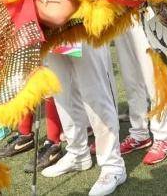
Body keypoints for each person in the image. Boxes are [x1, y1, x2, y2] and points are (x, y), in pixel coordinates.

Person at [42, 43, 127, 196]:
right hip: (52, 29)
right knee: (62, 90)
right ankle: (77, 153)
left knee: (95, 92)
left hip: (83, 25)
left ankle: (112, 165)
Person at [114, 24, 167, 164]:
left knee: (153, 79)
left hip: (142, 10)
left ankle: (162, 137)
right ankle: (139, 133)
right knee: (131, 79)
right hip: (117, 14)